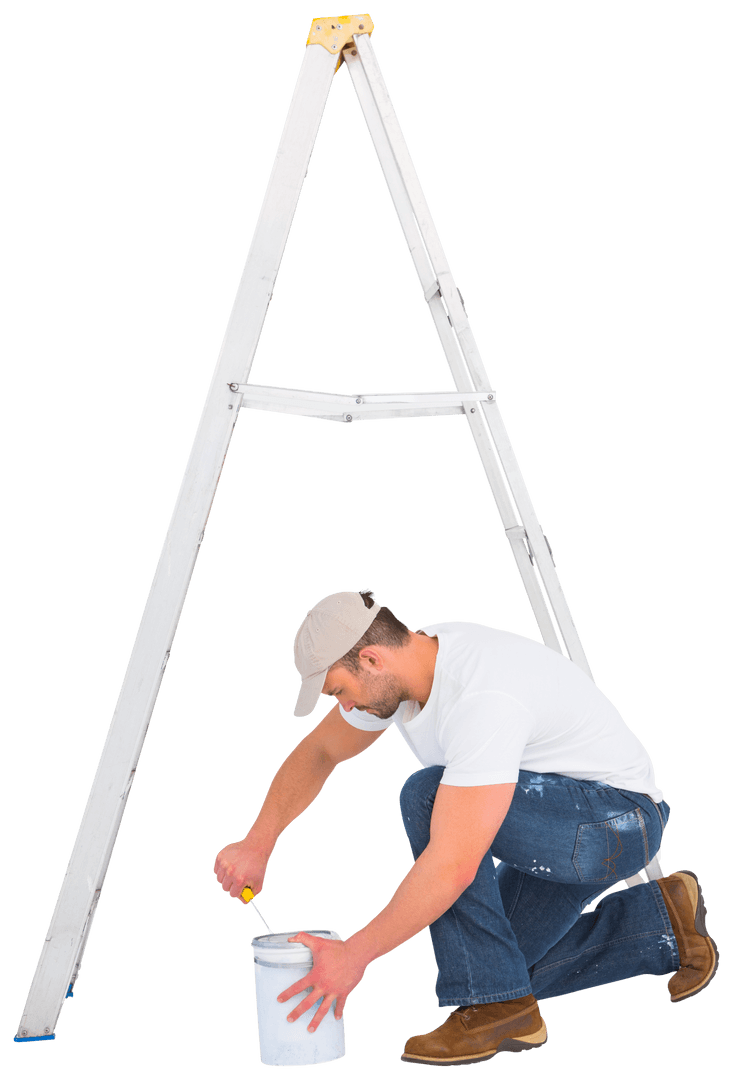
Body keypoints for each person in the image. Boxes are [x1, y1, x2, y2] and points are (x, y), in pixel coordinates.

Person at [213, 589, 719, 1066]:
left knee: (428, 796)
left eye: (340, 692)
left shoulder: (481, 694)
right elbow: (321, 751)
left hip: (616, 822)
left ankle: (495, 1009)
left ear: (370, 659)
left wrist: (354, 955)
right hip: (558, 821)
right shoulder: (409, 669)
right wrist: (258, 843)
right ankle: (662, 925)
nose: (344, 707)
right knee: (499, 971)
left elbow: (453, 864)